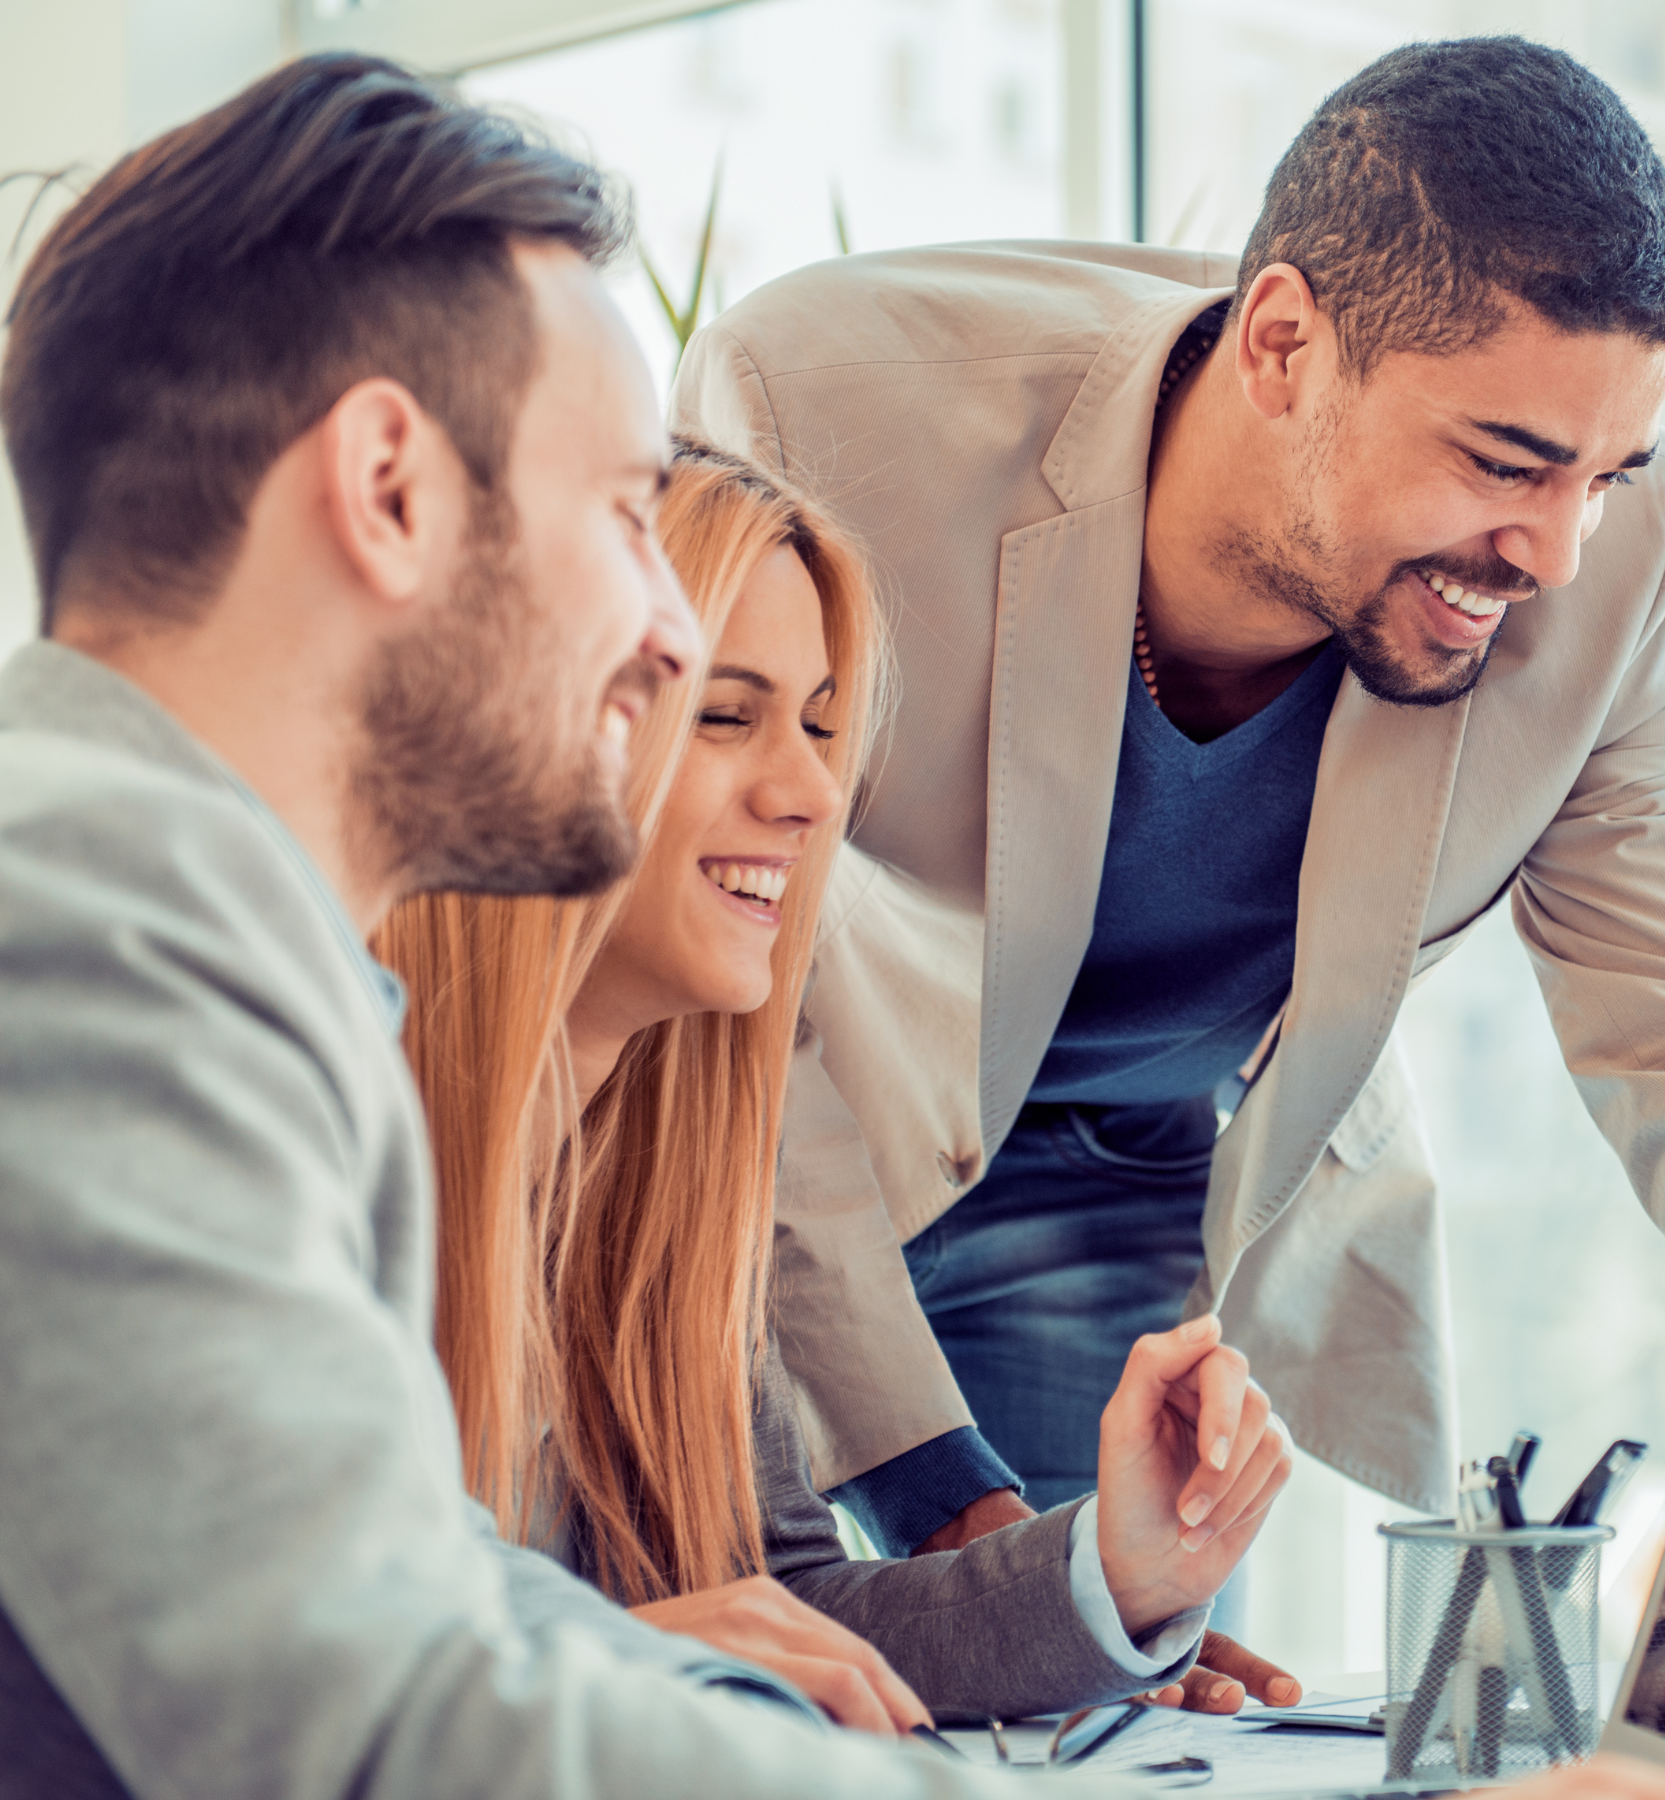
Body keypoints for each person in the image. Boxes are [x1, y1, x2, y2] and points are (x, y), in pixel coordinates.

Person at [668, 36, 1665, 1618]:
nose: (1554, 553)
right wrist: (945, 1504)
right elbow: (730, 1004)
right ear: (1281, 342)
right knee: (748, 1658)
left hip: (1128, 1184)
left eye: (1605, 474)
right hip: (788, 1142)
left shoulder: (1608, 574)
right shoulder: (823, 411)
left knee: (1103, 1703)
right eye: (1506, 461)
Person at [374, 438, 1284, 1728]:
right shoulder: (317, 1151)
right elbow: (232, 1677)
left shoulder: (657, 1181)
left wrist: (1120, 1569)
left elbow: (780, 1608)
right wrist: (612, 1662)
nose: (811, 794)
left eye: (819, 724)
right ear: (523, 735)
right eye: (726, 716)